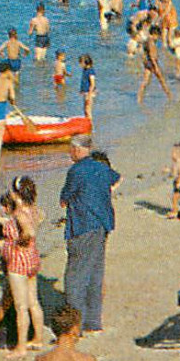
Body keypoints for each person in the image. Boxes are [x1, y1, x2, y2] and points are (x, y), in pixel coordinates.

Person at [60, 136, 119, 333]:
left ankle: (74, 325)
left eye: (71, 149)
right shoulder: (101, 168)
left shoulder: (75, 171)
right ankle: (93, 322)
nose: (70, 153)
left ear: (77, 150)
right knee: (95, 273)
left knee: (75, 277)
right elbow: (116, 178)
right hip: (102, 224)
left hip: (82, 225)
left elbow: (64, 199)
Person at [2, 177, 49, 357]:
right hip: (32, 257)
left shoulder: (20, 213)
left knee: (21, 305)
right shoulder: (34, 210)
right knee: (33, 301)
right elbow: (41, 218)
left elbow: (29, 232)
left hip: (18, 260)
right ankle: (38, 338)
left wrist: (18, 242)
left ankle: (21, 347)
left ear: (16, 194)